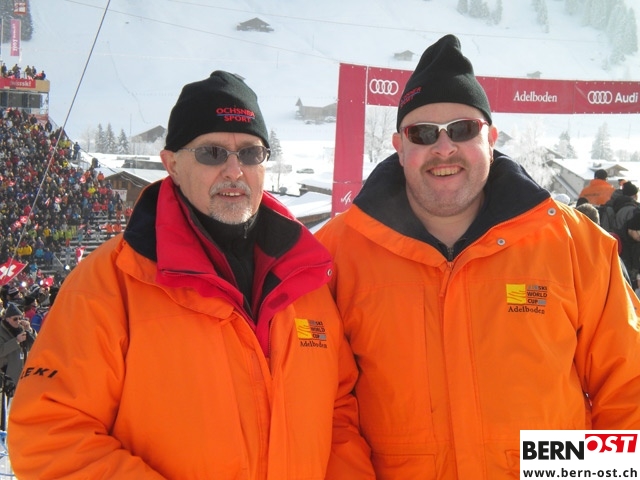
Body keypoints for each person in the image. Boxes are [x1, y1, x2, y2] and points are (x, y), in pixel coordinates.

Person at [8, 71, 374, 479]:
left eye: (250, 153)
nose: (234, 170)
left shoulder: (305, 278)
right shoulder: (111, 282)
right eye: (212, 153)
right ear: (172, 165)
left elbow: (338, 415)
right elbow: (47, 432)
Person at [315, 34, 640, 479]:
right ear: (399, 147)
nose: (444, 148)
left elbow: (628, 388)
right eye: (422, 134)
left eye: (463, 129)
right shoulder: (336, 253)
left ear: (491, 137)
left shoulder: (574, 243)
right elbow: (327, 405)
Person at [0, 303, 36, 400]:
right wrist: (16, 341)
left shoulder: (21, 329)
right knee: (7, 404)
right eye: (15, 319)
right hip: (7, 376)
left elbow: (35, 345)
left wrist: (29, 330)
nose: (18, 321)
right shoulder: (1, 331)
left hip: (23, 373)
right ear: (7, 319)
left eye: (20, 318)